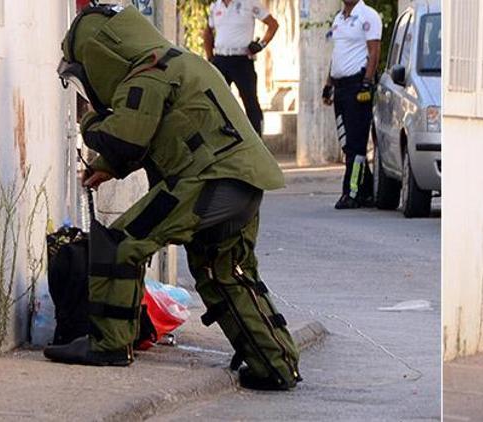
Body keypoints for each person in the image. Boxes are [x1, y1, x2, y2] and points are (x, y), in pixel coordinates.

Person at [45, 4, 300, 391]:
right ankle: (275, 364)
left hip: (207, 182)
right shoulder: (177, 61)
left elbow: (124, 138)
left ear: (100, 56)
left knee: (121, 243)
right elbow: (152, 134)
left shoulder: (148, 72)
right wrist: (109, 166)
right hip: (244, 181)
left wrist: (89, 120)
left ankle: (109, 345)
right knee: (225, 273)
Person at [322, 0, 382, 209]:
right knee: (347, 142)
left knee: (356, 145)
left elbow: (374, 51)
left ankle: (352, 191)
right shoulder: (338, 19)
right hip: (340, 88)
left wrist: (367, 82)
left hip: (358, 87)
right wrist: (328, 84)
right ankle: (366, 191)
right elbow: (337, 54)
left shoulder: (368, 15)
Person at [202, 0, 278, 136]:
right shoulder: (215, 6)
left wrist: (261, 45)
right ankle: (220, 137)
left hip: (242, 60)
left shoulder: (249, 3)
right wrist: (210, 57)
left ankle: (257, 138)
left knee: (250, 101)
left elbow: (273, 24)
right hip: (220, 58)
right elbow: (208, 32)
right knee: (215, 100)